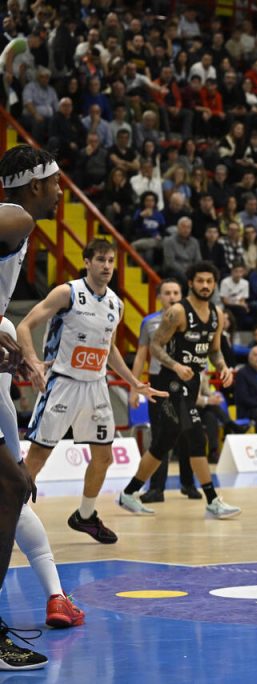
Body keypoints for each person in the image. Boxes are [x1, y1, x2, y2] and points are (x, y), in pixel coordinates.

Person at [18, 238, 168, 543]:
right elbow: (24, 326)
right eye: (100, 260)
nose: (106, 266)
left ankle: (85, 516)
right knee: (37, 457)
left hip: (97, 387)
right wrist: (32, 361)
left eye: (111, 261)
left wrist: (133, 381)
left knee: (104, 456)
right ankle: (9, 515)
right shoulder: (67, 293)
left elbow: (109, 349)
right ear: (87, 262)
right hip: (62, 383)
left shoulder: (116, 304)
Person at [0, 145, 67, 670]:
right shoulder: (17, 218)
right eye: (56, 182)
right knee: (11, 487)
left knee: (12, 485)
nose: (62, 192)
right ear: (34, 186)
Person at [116, 262, 242, 519]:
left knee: (164, 441)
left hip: (191, 383)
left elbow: (214, 350)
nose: (205, 285)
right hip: (170, 382)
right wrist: (175, 365)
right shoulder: (177, 312)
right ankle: (212, 499)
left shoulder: (217, 314)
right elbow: (155, 346)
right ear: (191, 283)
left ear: (214, 284)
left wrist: (222, 367)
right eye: (200, 281)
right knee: (196, 436)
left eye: (209, 281)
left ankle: (128, 493)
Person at [131, 279, 199, 503]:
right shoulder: (149, 322)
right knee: (160, 435)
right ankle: (156, 489)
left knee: (187, 432)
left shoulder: (190, 319)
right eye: (167, 293)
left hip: (184, 381)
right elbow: (141, 355)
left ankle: (188, 484)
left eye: (176, 292)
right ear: (159, 297)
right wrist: (134, 387)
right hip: (159, 382)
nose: (172, 297)